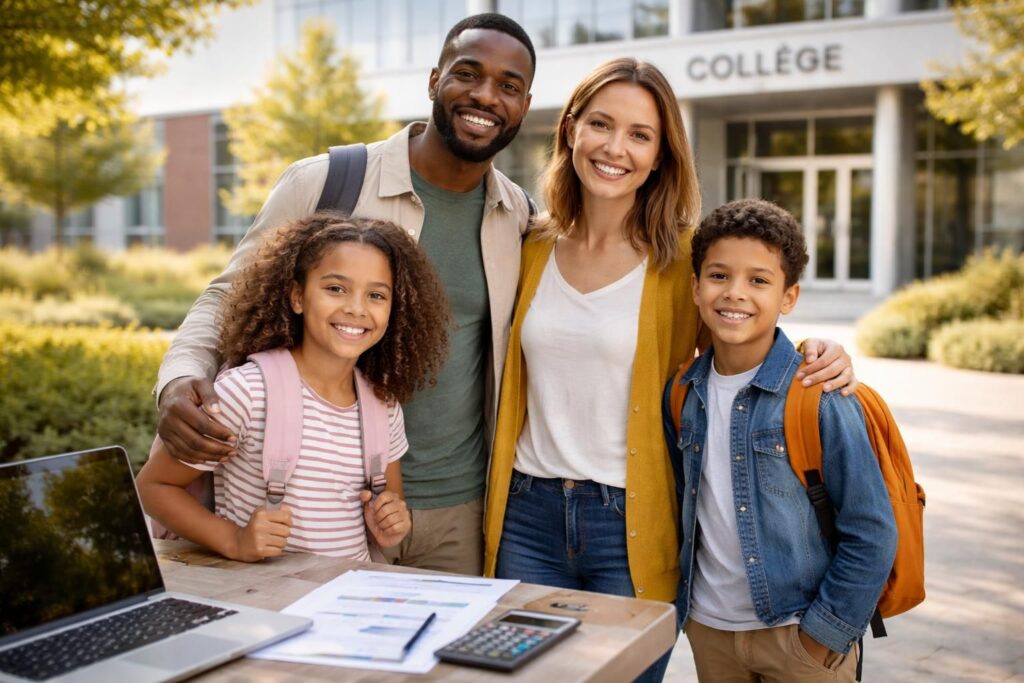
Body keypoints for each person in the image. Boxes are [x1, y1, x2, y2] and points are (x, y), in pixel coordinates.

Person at [482, 59, 857, 683]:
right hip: (526, 517)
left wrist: (820, 351)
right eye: (601, 124)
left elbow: (748, 333)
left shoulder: (684, 259)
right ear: (571, 129)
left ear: (661, 155)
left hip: (631, 523)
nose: (615, 148)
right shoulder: (531, 245)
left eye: (640, 135)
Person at [153, 14, 536, 574]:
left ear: (525, 104)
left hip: (461, 507)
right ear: (434, 80)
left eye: (508, 85)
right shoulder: (325, 180)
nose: (485, 95)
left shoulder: (518, 214)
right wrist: (178, 379)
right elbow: (227, 298)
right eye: (467, 74)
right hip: (315, 508)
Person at [664, 199, 897, 682]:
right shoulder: (682, 393)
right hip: (711, 630)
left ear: (788, 297)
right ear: (695, 286)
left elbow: (872, 530)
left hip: (798, 634)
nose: (735, 293)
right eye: (719, 275)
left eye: (758, 280)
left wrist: (820, 638)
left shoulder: (819, 395)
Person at [137, 215, 450, 562]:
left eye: (376, 295)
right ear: (298, 297)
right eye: (336, 289)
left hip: (349, 591)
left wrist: (389, 523)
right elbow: (154, 487)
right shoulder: (247, 393)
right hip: (266, 594)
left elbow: (389, 506)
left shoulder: (383, 406)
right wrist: (234, 540)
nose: (356, 308)